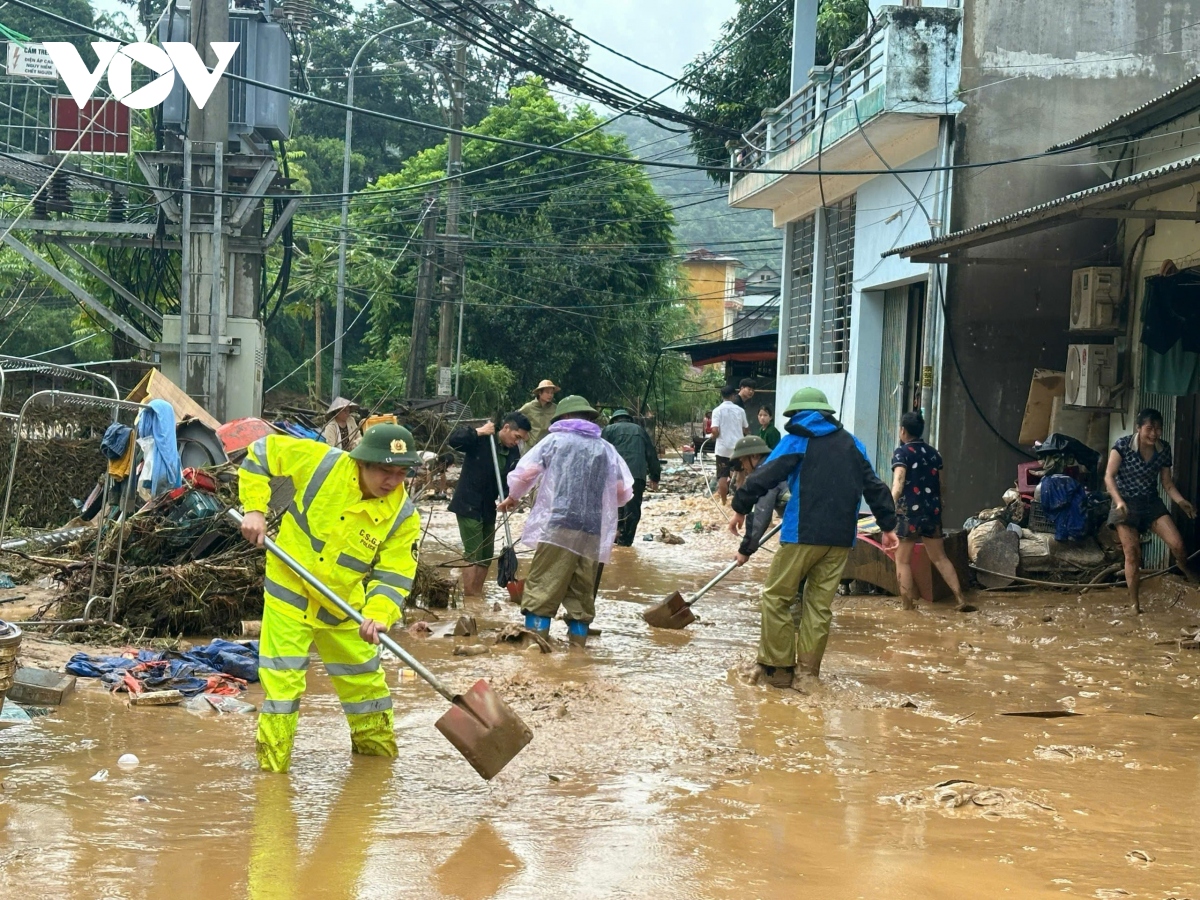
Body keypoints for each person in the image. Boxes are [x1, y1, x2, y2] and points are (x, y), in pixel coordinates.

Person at [238, 423, 421, 773]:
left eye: (401, 473)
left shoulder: (402, 515)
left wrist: (379, 613)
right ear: (362, 463)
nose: (393, 481)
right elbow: (260, 453)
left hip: (342, 606)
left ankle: (377, 768)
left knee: (366, 685)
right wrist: (255, 509)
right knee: (283, 686)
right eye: (385, 470)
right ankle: (273, 778)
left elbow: (395, 573)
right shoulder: (323, 463)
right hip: (289, 593)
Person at [730, 387, 898, 689]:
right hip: (841, 538)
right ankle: (808, 674)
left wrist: (740, 507)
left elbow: (763, 477)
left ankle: (777, 670)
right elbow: (875, 485)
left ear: (796, 416)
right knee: (818, 607)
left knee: (776, 597)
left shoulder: (796, 441)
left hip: (802, 534)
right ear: (826, 415)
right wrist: (887, 526)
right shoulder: (852, 443)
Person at [497, 395, 633, 647]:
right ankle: (578, 654)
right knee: (582, 591)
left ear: (565, 418)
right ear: (588, 419)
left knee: (543, 584)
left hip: (559, 524)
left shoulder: (555, 441)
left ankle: (535, 651)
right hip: (592, 529)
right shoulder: (605, 449)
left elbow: (525, 473)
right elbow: (623, 492)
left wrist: (512, 497)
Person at [1105, 408, 1197, 614]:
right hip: (1124, 504)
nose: (1154, 434)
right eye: (1149, 428)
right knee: (1132, 554)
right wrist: (1118, 500)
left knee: (1178, 544)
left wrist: (1182, 502)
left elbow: (1167, 483)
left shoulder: (1164, 449)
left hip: (1150, 503)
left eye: (1158, 429)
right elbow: (1109, 477)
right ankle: (1134, 604)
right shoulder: (1122, 446)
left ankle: (1185, 569)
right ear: (1138, 428)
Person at [890, 411, 972, 613]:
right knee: (940, 557)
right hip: (932, 512)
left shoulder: (902, 453)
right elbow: (941, 485)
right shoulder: (935, 454)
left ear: (903, 430)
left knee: (902, 560)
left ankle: (908, 608)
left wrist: (886, 507)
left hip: (909, 513)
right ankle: (960, 598)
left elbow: (898, 484)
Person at [447, 412, 531, 598]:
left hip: (488, 505)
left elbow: (511, 478)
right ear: (506, 428)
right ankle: (470, 598)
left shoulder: (513, 451)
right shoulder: (483, 439)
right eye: (517, 437)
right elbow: (454, 440)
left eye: (521, 440)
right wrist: (478, 431)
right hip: (468, 502)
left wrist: (511, 496)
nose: (517, 442)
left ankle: (476, 595)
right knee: (473, 553)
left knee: (486, 555)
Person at [601, 409, 661, 546]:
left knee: (613, 507)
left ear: (614, 420)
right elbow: (651, 454)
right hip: (636, 476)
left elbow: (600, 454)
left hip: (614, 476)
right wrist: (655, 477)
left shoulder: (608, 430)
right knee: (633, 509)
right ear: (628, 419)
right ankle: (625, 543)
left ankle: (614, 539)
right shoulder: (640, 430)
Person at [727, 435, 779, 563]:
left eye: (743, 460)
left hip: (803, 533)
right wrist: (740, 512)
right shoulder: (776, 464)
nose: (743, 466)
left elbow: (759, 517)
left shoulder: (767, 474)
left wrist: (744, 551)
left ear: (755, 456)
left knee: (778, 582)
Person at [710, 384, 749, 504]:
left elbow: (715, 431)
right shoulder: (740, 410)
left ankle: (723, 501)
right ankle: (738, 500)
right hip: (738, 448)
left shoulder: (717, 411)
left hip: (723, 449)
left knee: (722, 475)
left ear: (722, 396)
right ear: (733, 396)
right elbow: (746, 429)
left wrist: (713, 436)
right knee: (741, 473)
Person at [519, 380, 559, 447]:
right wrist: (525, 436)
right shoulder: (529, 407)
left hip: (548, 446)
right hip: (531, 446)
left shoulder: (555, 408)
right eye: (547, 392)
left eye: (552, 393)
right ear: (540, 393)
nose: (550, 395)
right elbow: (515, 419)